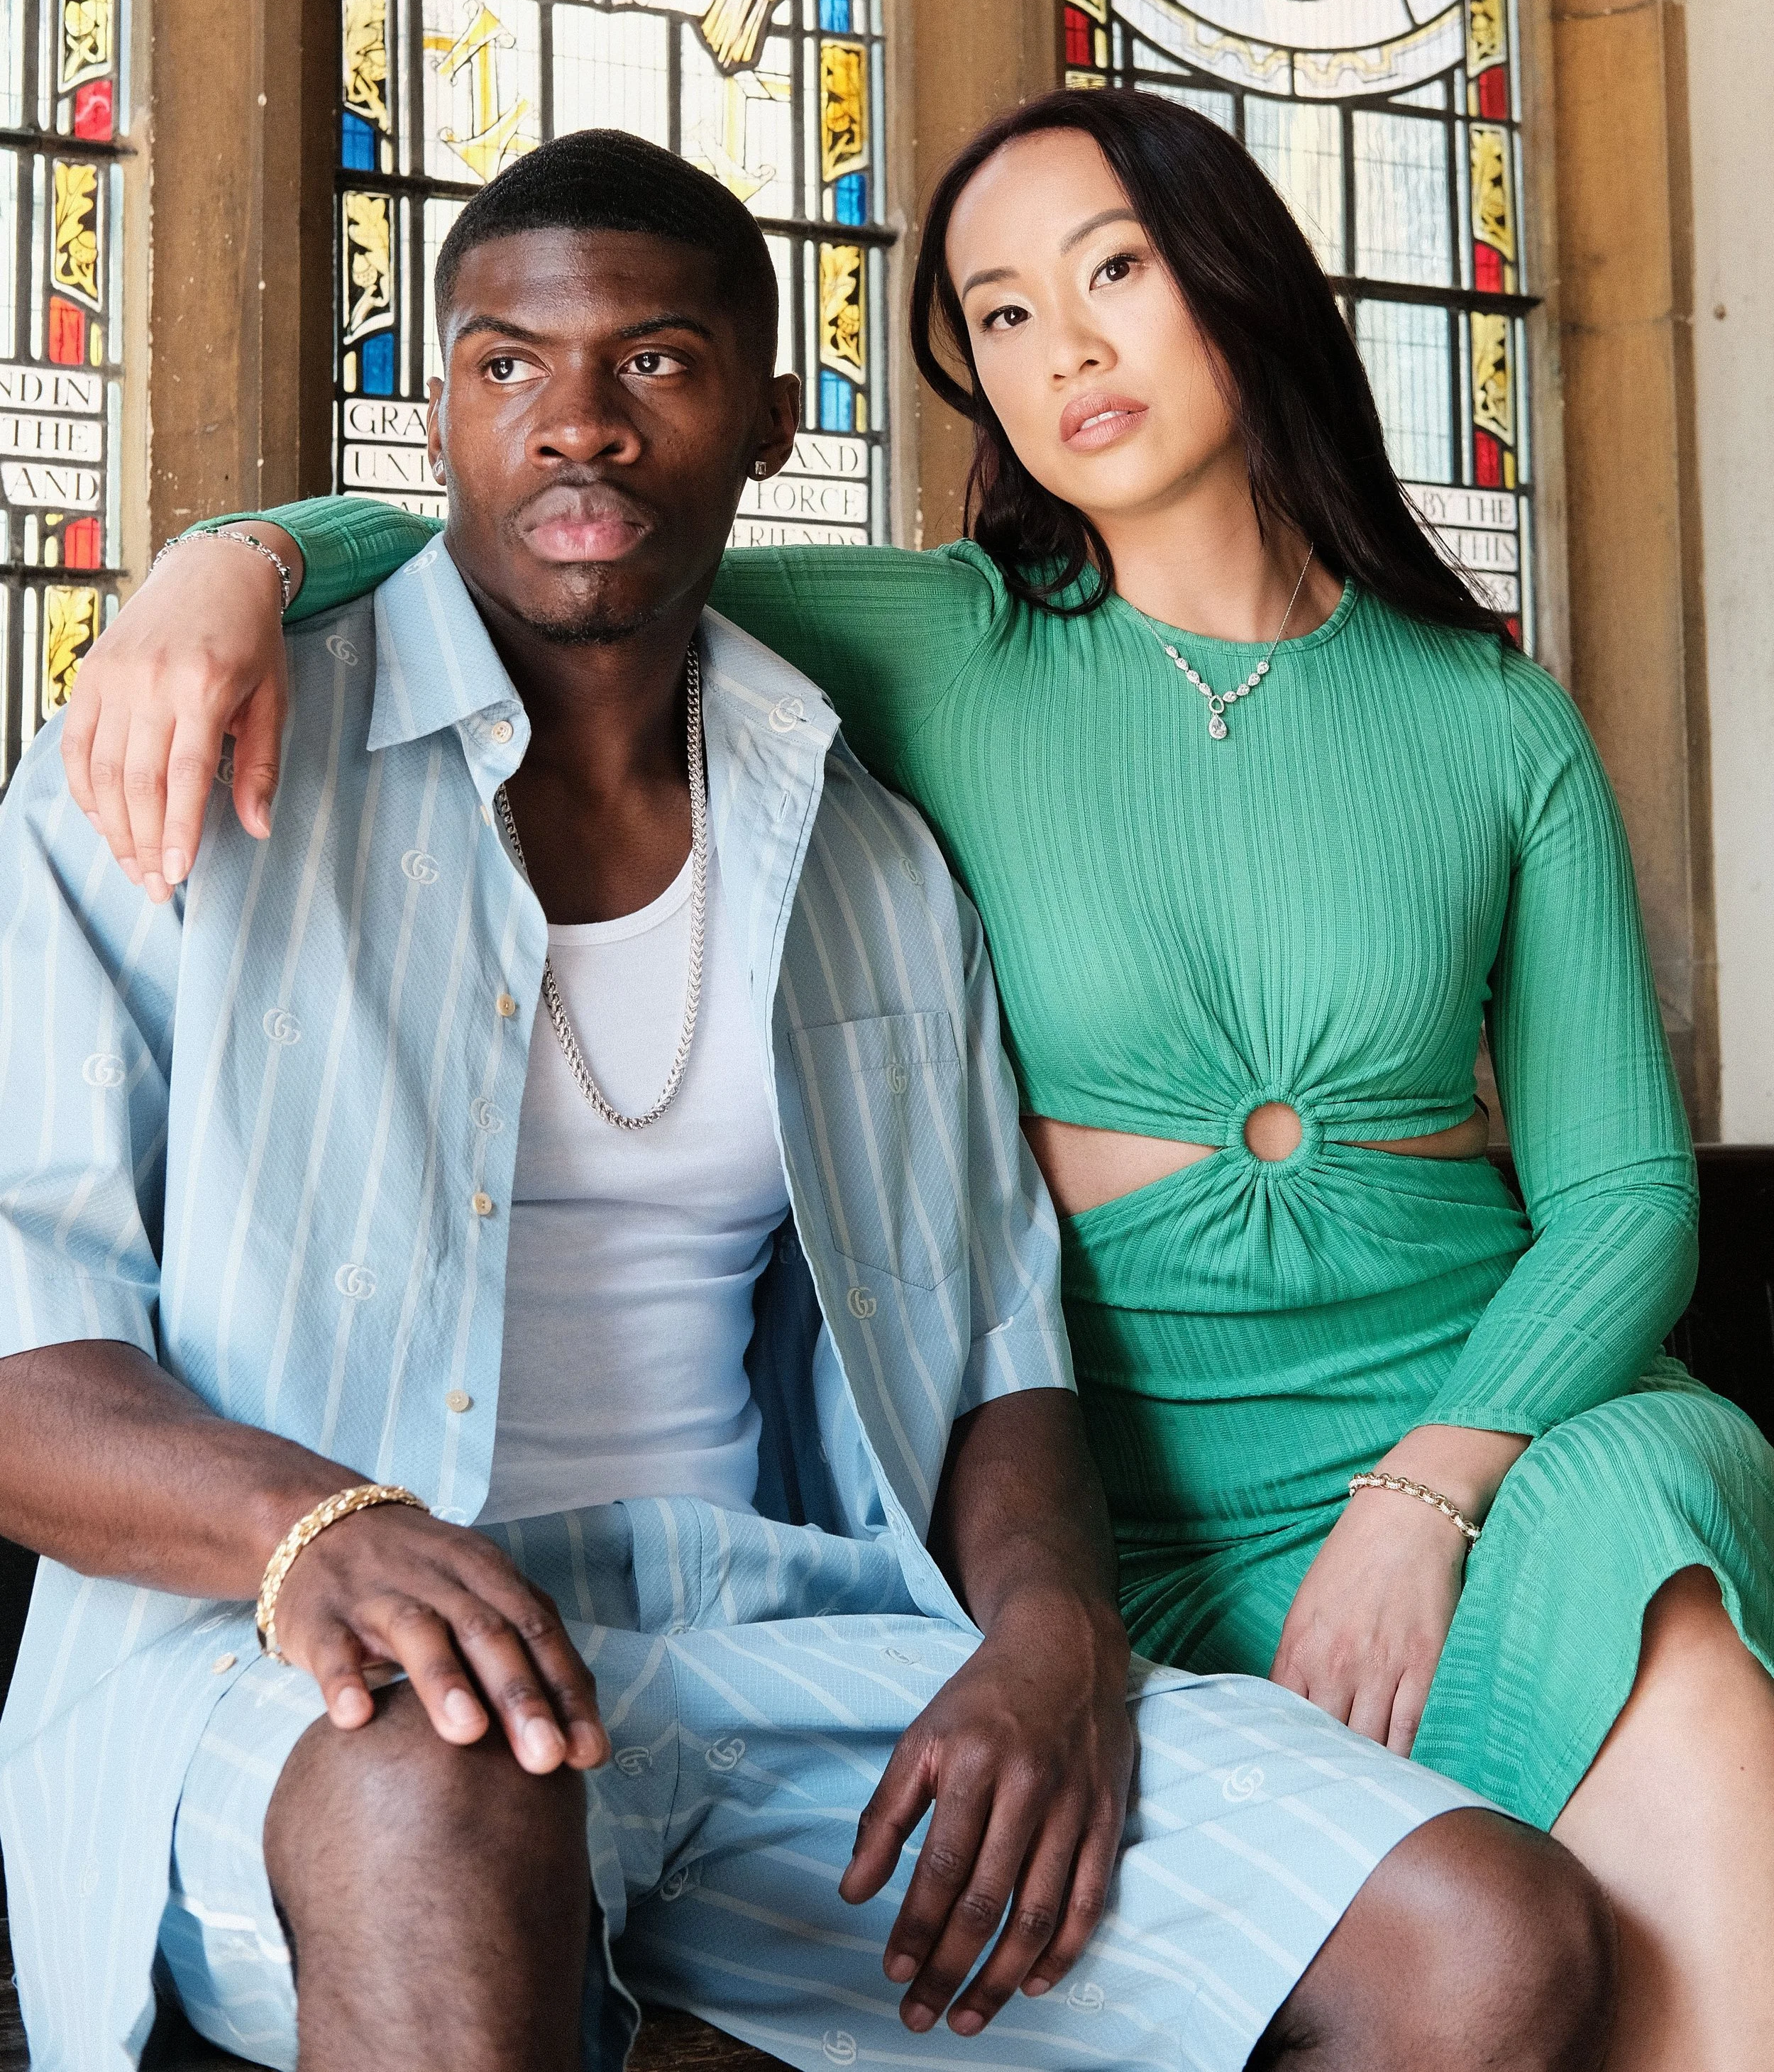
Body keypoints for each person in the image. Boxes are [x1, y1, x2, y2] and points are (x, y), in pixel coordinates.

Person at [0, 131, 1612, 2072]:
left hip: (779, 1640)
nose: (574, 427)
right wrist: (311, 1526)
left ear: (772, 417)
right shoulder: (176, 771)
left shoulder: (861, 841)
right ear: (434, 402)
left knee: (1473, 1927)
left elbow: (994, 1347)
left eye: (654, 365)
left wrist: (1046, 1637)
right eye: (505, 364)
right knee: (443, 1766)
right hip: (279, 1666)